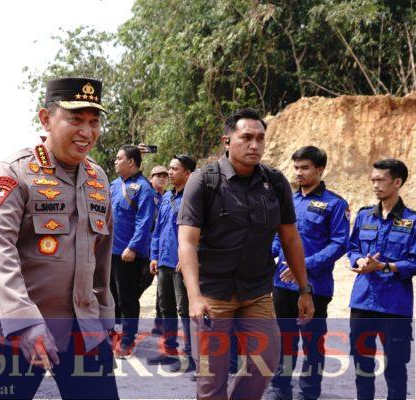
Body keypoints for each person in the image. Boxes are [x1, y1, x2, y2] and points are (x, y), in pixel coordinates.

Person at [0, 77, 118, 400]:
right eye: (76, 120)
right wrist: (24, 322)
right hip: (17, 331)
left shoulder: (98, 178)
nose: (87, 132)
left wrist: (106, 319)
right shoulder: (14, 172)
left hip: (84, 329)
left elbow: (101, 256)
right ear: (45, 119)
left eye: (94, 122)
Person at [177, 108, 315, 399]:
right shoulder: (204, 181)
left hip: (256, 292)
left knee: (265, 360)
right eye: (247, 137)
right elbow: (187, 241)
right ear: (227, 140)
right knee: (211, 380)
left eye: (260, 138)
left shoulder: (275, 183)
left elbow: (290, 237)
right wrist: (194, 297)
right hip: (212, 294)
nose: (255, 145)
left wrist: (304, 289)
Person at [267, 146, 350, 400]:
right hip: (282, 284)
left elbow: (339, 244)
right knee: (284, 340)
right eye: (296, 168)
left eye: (305, 168)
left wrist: (303, 266)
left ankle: (309, 392)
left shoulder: (335, 204)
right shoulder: (289, 200)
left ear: (320, 170)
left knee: (312, 343)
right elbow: (279, 236)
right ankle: (281, 388)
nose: (299, 173)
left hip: (315, 286)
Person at [347, 158, 414, 400]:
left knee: (395, 367)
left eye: (381, 180)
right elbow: (352, 247)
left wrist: (386, 266)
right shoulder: (365, 216)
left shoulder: (413, 221)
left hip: (394, 305)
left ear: (397, 182)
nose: (375, 185)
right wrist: (359, 261)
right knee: (362, 365)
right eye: (373, 179)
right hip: (362, 302)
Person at [148, 155, 197, 374]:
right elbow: (158, 228)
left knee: (184, 310)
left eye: (174, 169)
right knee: (166, 307)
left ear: (187, 173)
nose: (169, 172)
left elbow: (199, 233)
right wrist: (154, 255)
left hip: (181, 264)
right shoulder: (167, 196)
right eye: (169, 168)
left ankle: (191, 357)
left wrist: (186, 258)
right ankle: (170, 351)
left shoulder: (193, 198)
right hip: (164, 262)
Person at [110, 144, 156, 357]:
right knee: (109, 296)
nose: (115, 161)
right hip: (109, 252)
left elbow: (144, 221)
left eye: (119, 158)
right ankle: (111, 334)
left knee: (127, 298)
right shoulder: (113, 185)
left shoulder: (144, 188)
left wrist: (133, 247)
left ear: (130, 162)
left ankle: (128, 341)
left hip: (127, 254)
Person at [149, 164, 169, 335]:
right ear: (151, 178)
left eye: (164, 175)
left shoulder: (168, 197)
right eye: (158, 175)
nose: (162, 178)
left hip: (160, 248)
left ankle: (159, 321)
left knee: (161, 288)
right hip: (145, 246)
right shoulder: (147, 195)